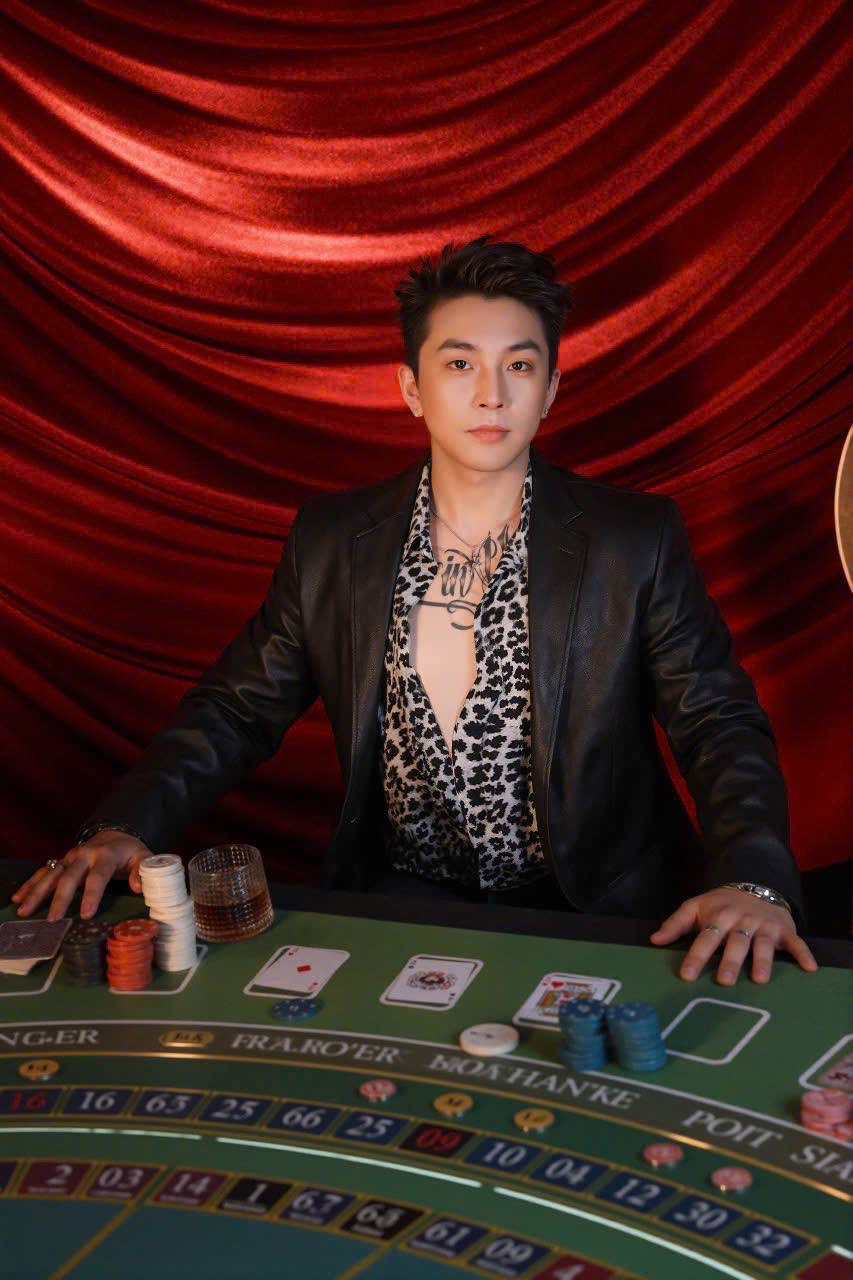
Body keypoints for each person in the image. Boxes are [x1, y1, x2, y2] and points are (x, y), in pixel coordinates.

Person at [13, 234, 817, 988]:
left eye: (520, 365)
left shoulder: (632, 539)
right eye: (459, 363)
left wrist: (753, 877)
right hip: (403, 904)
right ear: (410, 388)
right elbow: (235, 711)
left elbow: (716, 723)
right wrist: (125, 825)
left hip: (600, 906)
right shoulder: (334, 540)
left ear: (549, 390)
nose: (491, 393)